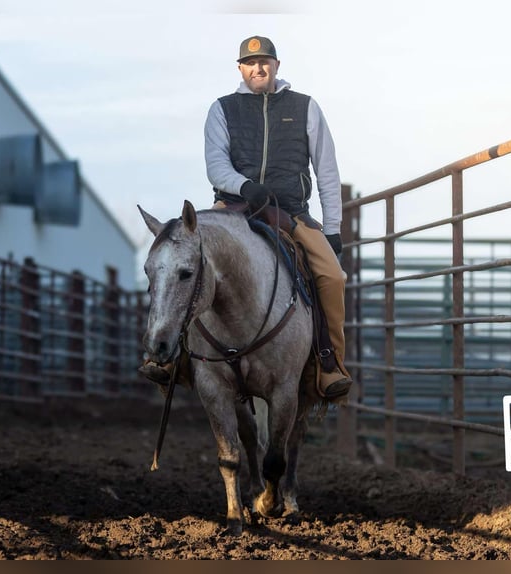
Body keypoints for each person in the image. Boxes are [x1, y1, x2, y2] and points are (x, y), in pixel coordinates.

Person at [140, 35, 352, 400]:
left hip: (290, 211)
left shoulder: (306, 107)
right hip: (232, 206)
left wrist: (331, 229)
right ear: (240, 68)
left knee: (332, 277)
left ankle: (328, 365)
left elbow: (327, 172)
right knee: (186, 264)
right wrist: (244, 185)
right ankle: (173, 358)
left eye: (265, 61)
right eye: (251, 63)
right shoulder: (222, 109)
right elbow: (216, 164)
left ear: (277, 66)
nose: (258, 68)